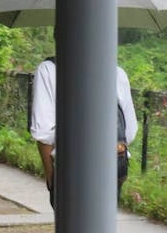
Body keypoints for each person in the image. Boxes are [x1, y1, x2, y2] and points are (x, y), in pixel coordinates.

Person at [30, 56, 138, 207]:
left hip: (71, 170)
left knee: (72, 228)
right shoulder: (117, 73)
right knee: (103, 227)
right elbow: (130, 133)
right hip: (114, 167)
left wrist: (51, 180)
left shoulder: (49, 70)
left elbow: (43, 133)